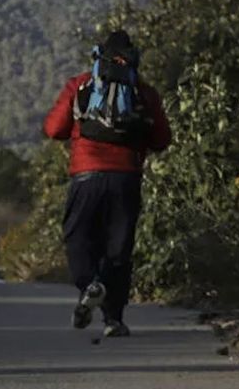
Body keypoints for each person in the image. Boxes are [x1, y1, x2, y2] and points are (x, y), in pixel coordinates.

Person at [42, 29, 172, 337]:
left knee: (78, 238)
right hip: (126, 177)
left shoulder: (80, 84)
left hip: (86, 175)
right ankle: (114, 319)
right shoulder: (143, 91)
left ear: (99, 56)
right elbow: (162, 139)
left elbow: (53, 129)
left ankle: (90, 285)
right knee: (119, 249)